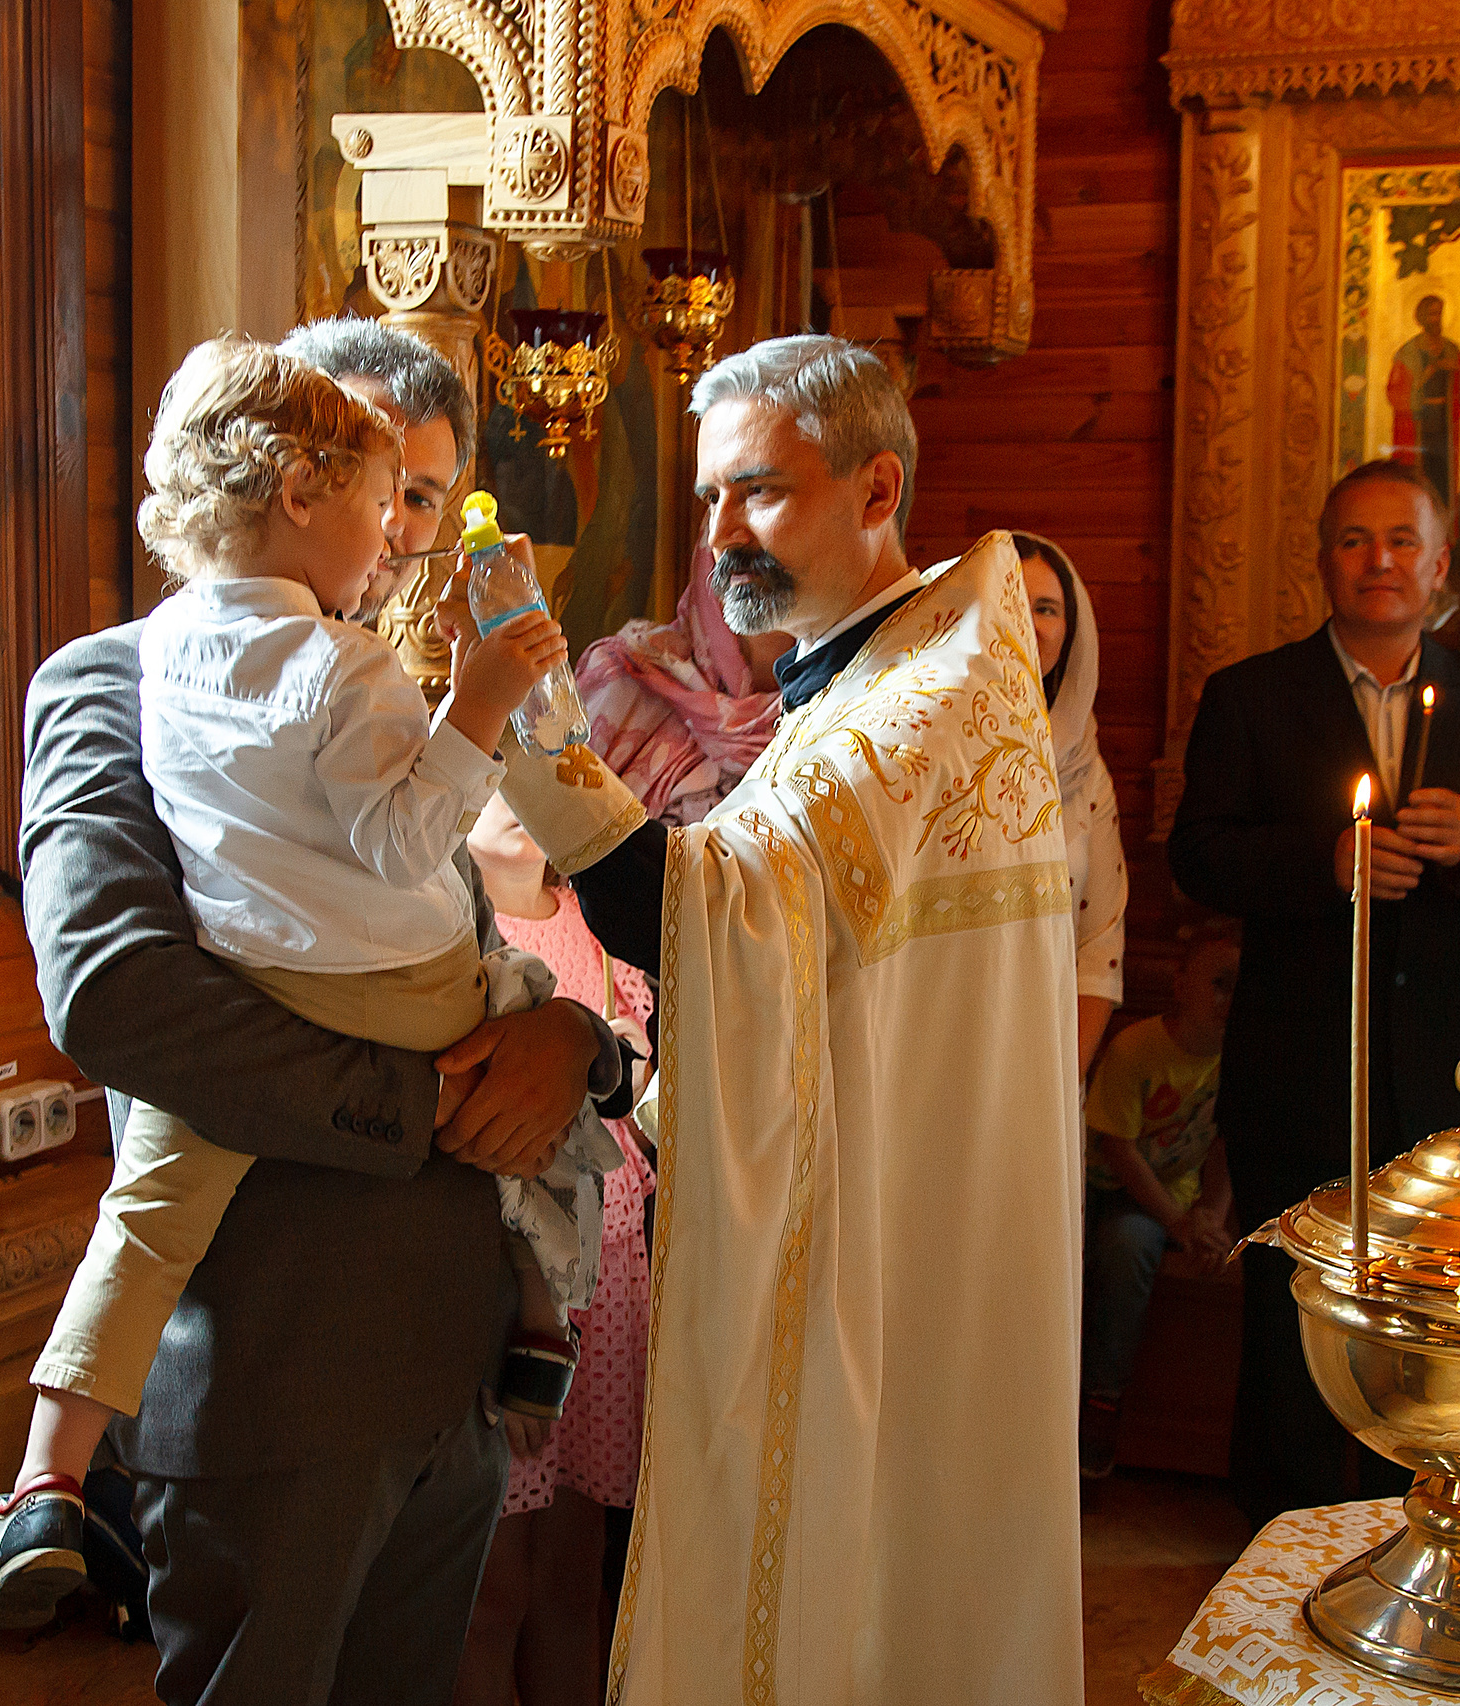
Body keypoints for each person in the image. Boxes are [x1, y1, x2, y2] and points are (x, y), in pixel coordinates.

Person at [6, 317, 630, 1706]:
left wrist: (571, 1046)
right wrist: (432, 1105)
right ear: (292, 475)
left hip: (452, 1357)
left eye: (430, 500)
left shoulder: (380, 692)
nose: (409, 541)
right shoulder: (115, 681)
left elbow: (457, 927)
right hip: (278, 1365)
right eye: (390, 493)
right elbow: (115, 996)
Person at [467, 335, 1084, 1703]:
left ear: (878, 488)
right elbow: (795, 979)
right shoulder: (862, 678)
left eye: (757, 491)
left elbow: (707, 922)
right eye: (707, 500)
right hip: (868, 1219)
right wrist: (641, 1090)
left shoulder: (923, 700)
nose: (720, 533)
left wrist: (519, 719)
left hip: (892, 1259)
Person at [1167, 457, 1460, 1523]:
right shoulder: (1250, 695)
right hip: (1296, 1065)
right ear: (1322, 560)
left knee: (1430, 1325)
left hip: (1444, 1069)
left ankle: (1420, 1541)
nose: (1378, 559)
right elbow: (1196, 856)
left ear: (1438, 565)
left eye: (1401, 540)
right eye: (1354, 538)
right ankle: (1276, 1556)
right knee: (1290, 1318)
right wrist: (1324, 865)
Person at [453, 793, 657, 1706]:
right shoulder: (455, 938)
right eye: (495, 770)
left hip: (610, 1293)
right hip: (508, 1290)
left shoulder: (601, 932)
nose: (520, 796)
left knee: (578, 1578)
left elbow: (644, 1097)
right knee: (492, 1590)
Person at [1077, 927, 1239, 1479]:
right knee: (1127, 1243)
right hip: (1112, 1193)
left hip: (1181, 1201)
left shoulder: (1240, 1059)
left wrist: (1212, 1221)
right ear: (1179, 984)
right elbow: (1117, 1149)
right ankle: (1103, 1395)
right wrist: (1178, 1221)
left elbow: (1226, 1144)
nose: (1229, 1000)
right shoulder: (1136, 1049)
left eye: (1241, 986)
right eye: (1219, 983)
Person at [1016, 532, 1129, 1077]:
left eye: (1047, 608)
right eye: (1009, 602)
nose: (1031, 625)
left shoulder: (1083, 763)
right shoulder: (925, 749)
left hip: (1050, 1058)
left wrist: (1061, 1083)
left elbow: (1100, 946)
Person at [574, 545, 789, 827]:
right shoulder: (623, 677)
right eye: (713, 500)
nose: (723, 530)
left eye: (760, 497)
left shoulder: (844, 707)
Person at [1386, 294, 1460, 511]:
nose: (1436, 319)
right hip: (1418, 422)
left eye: (1439, 313)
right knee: (1418, 474)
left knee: (1442, 476)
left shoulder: (1450, 349)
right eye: (1431, 314)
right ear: (1421, 318)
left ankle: (1443, 526)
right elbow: (1396, 390)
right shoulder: (1408, 352)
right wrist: (1432, 370)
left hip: (1444, 422)